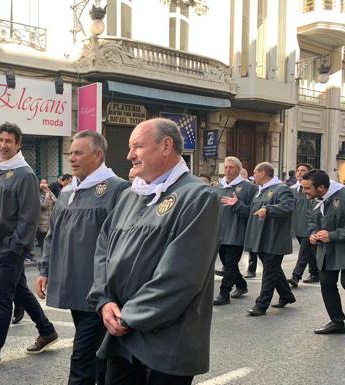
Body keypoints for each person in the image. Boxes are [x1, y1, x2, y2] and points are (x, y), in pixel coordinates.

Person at [87, 118, 220, 384]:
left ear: (166, 146)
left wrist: (130, 317)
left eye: (137, 146)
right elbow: (104, 249)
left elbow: (182, 275)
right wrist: (105, 301)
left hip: (166, 342)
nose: (129, 155)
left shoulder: (197, 197)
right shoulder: (131, 195)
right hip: (122, 336)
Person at [0, 123, 58, 373]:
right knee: (20, 292)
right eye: (0, 140)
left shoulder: (24, 174)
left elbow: (30, 217)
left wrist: (13, 247)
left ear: (18, 144)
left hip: (9, 251)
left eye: (9, 141)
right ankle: (46, 330)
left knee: (2, 299)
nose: (3, 145)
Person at [37, 131, 130, 385]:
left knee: (82, 359)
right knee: (96, 355)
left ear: (98, 154)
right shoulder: (67, 193)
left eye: (79, 153)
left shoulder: (118, 189)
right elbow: (52, 234)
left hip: (100, 291)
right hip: (73, 287)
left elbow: (124, 243)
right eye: (71, 153)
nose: (72, 159)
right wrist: (45, 269)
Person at [244, 162, 296, 316]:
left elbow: (287, 207)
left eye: (255, 172)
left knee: (269, 272)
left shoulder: (282, 189)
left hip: (275, 238)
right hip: (261, 238)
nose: (253, 176)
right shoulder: (260, 191)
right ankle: (286, 295)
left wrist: (268, 209)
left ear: (263, 173)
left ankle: (261, 305)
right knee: (273, 270)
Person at [302, 170, 345, 334]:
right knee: (327, 284)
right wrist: (313, 234)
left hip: (342, 248)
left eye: (307, 188)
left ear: (321, 187)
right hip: (326, 251)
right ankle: (337, 321)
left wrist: (332, 235)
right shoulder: (314, 199)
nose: (304, 192)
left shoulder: (343, 195)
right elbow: (312, 221)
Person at [213, 156, 257, 306]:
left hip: (237, 232)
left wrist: (237, 204)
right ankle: (241, 285)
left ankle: (224, 293)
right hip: (220, 232)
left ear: (238, 169)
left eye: (231, 167)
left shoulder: (249, 187)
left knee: (230, 264)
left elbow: (252, 212)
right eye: (225, 167)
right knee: (227, 262)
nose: (227, 170)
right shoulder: (218, 187)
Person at [288, 163, 319, 287]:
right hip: (298, 226)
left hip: (310, 226)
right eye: (298, 170)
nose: (300, 172)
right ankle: (315, 273)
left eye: (303, 170)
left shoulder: (313, 190)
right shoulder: (292, 190)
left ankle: (296, 276)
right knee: (310, 251)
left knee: (303, 252)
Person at [37, 178, 56, 252]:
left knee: (49, 243)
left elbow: (56, 201)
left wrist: (49, 192)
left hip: (50, 222)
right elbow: (43, 206)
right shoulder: (37, 194)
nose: (44, 185)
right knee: (43, 243)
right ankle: (43, 260)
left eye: (45, 183)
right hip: (41, 222)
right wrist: (47, 198)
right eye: (42, 183)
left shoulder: (49, 193)